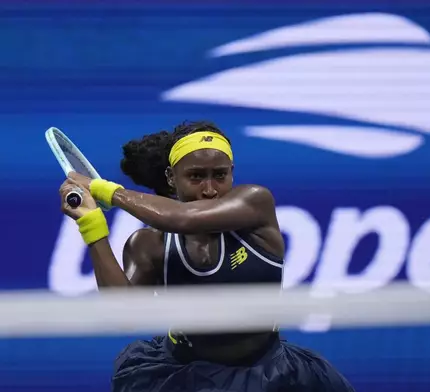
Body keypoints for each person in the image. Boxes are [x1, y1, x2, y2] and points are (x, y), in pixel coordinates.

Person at [58, 121, 355, 392]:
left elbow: (184, 218)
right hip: (186, 378)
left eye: (220, 175)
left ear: (232, 173)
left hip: (272, 373)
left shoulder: (255, 204)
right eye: (196, 177)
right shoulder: (149, 244)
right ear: (171, 179)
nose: (210, 189)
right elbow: (123, 317)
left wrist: (104, 190)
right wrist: (92, 226)